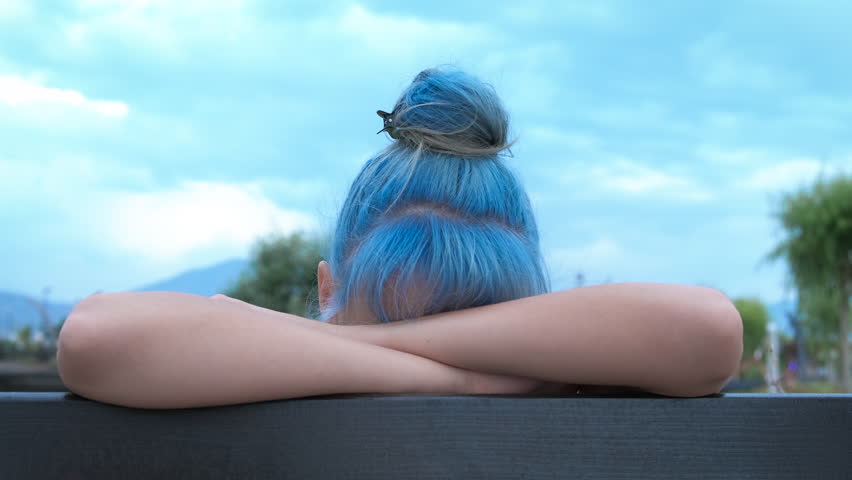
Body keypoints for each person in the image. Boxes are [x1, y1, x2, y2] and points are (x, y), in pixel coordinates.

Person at [56, 67, 743, 409]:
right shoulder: (547, 375)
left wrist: (347, 342)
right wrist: (467, 373)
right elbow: (92, 338)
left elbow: (711, 329)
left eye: (476, 327)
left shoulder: (250, 373)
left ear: (327, 288)